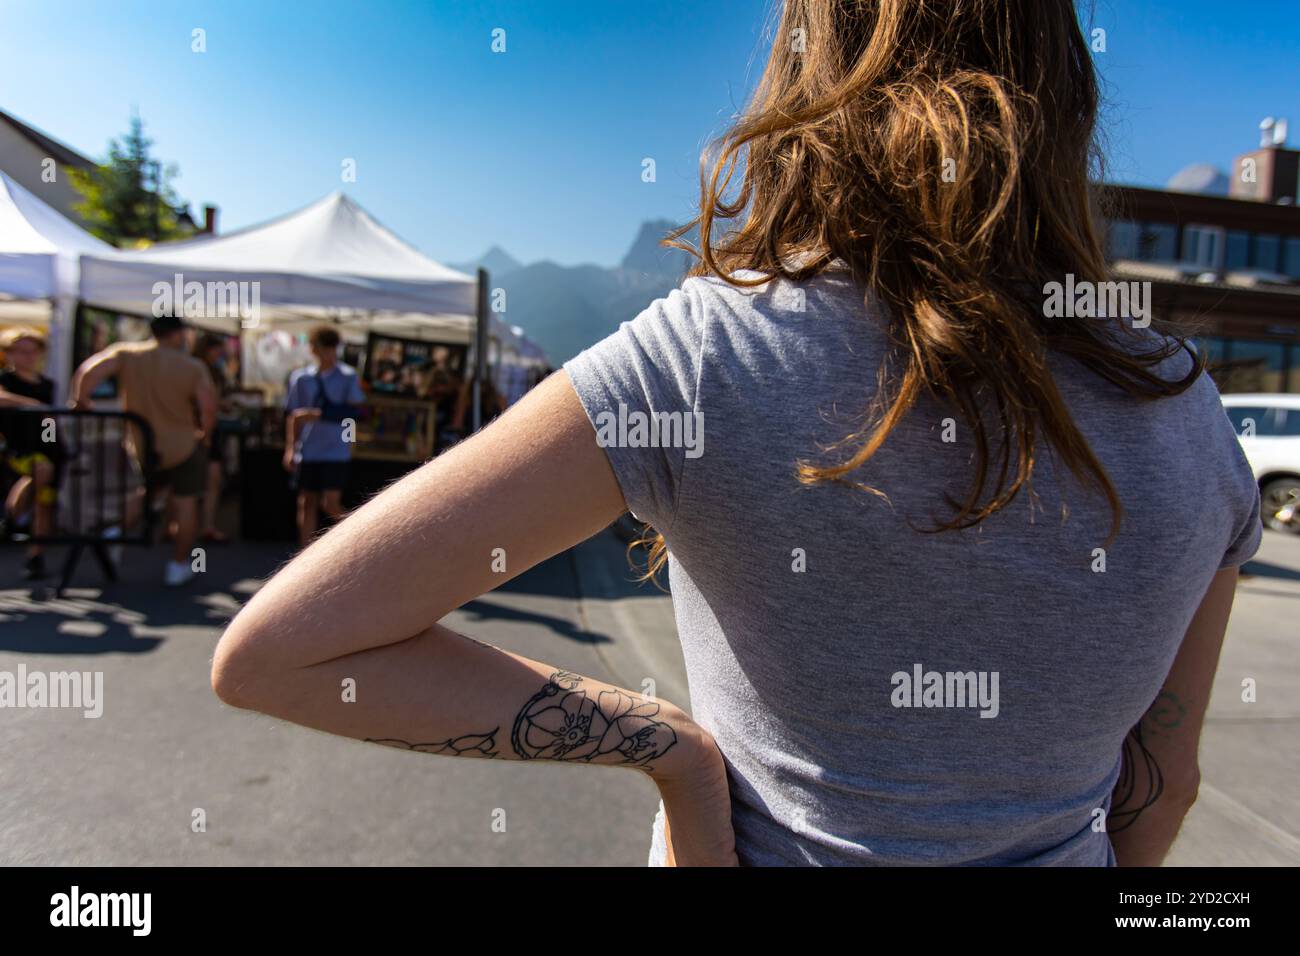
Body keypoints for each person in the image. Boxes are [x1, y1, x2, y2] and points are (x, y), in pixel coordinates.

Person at [212, 0, 1261, 867]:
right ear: (1066, 101)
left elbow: (285, 649)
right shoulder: (1186, 411)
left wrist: (671, 750)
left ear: (812, 70)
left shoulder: (713, 350)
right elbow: (1159, 788)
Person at [71, 315, 217, 587]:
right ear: (177, 334)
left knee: (148, 492)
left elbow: (88, 372)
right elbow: (208, 407)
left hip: (142, 445)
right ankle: (178, 565)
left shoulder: (127, 354)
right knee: (186, 503)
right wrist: (204, 436)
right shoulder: (192, 366)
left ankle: (115, 534)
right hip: (183, 444)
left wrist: (82, 402)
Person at [283, 326, 365, 547]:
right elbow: (292, 415)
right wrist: (290, 448)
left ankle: (360, 540)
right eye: (322, 348)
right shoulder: (300, 378)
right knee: (307, 502)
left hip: (336, 450)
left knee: (330, 503)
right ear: (314, 349)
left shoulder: (347, 376)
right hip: (309, 450)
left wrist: (320, 415)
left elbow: (356, 411)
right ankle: (304, 552)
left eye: (331, 348)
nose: (328, 353)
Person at [0, 329, 59, 580]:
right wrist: (32, 405)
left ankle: (35, 554)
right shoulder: (6, 380)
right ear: (9, 354)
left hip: (45, 449)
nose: (28, 357)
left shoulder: (47, 385)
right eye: (21, 351)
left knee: (44, 502)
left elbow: (52, 423)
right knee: (40, 471)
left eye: (32, 351)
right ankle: (12, 516)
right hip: (17, 450)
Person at [192, 333, 232, 544]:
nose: (221, 354)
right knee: (185, 485)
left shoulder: (216, 371)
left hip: (208, 431)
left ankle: (206, 526)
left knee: (211, 479)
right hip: (194, 432)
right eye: (217, 350)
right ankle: (176, 528)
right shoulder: (193, 368)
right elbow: (207, 404)